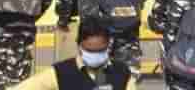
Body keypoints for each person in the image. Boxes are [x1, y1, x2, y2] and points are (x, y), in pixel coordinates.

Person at [7, 19, 136, 90]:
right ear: (79, 45)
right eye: (90, 50)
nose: (95, 55)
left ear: (109, 45)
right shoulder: (61, 72)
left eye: (100, 50)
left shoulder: (122, 72)